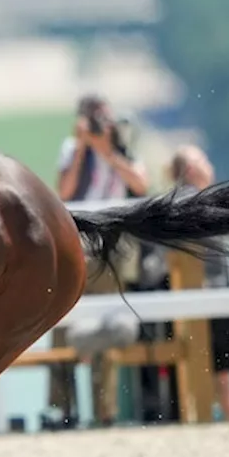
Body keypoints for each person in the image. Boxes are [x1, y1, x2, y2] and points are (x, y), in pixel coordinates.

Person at [48, 93, 152, 427]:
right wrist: (82, 148)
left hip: (111, 246)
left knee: (107, 327)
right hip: (77, 244)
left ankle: (105, 410)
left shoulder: (120, 147)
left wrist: (108, 151)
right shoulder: (72, 148)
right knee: (62, 326)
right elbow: (64, 191)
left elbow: (140, 183)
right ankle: (63, 409)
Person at [169, 144, 229, 421]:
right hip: (219, 296)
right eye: (202, 160)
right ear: (190, 169)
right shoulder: (197, 200)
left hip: (203, 298)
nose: (208, 165)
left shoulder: (181, 201)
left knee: (221, 370)